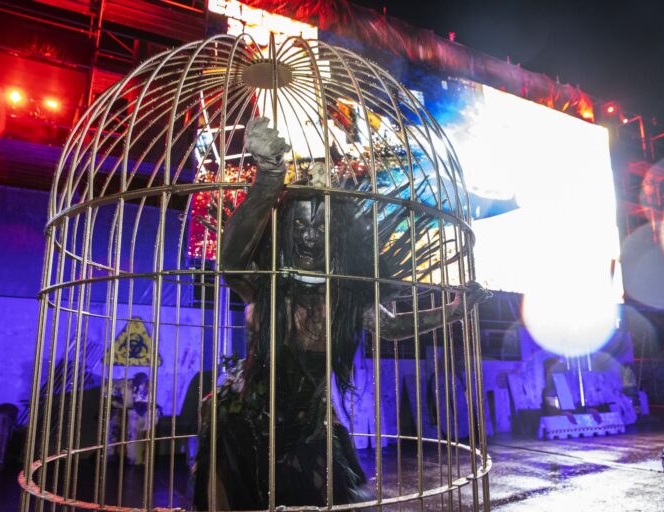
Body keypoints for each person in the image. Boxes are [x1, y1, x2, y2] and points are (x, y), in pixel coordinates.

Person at [194, 117, 488, 510]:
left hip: (310, 431)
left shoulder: (344, 295)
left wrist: (453, 310)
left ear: (336, 234)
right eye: (300, 224)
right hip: (243, 427)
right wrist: (268, 180)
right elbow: (231, 265)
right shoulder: (268, 283)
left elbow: (391, 326)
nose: (309, 235)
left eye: (320, 226)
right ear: (285, 229)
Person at [108, 372, 156, 465]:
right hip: (124, 411)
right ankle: (113, 455)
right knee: (116, 433)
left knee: (134, 437)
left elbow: (147, 401)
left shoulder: (149, 387)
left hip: (139, 415)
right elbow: (112, 396)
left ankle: (133, 458)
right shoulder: (124, 384)